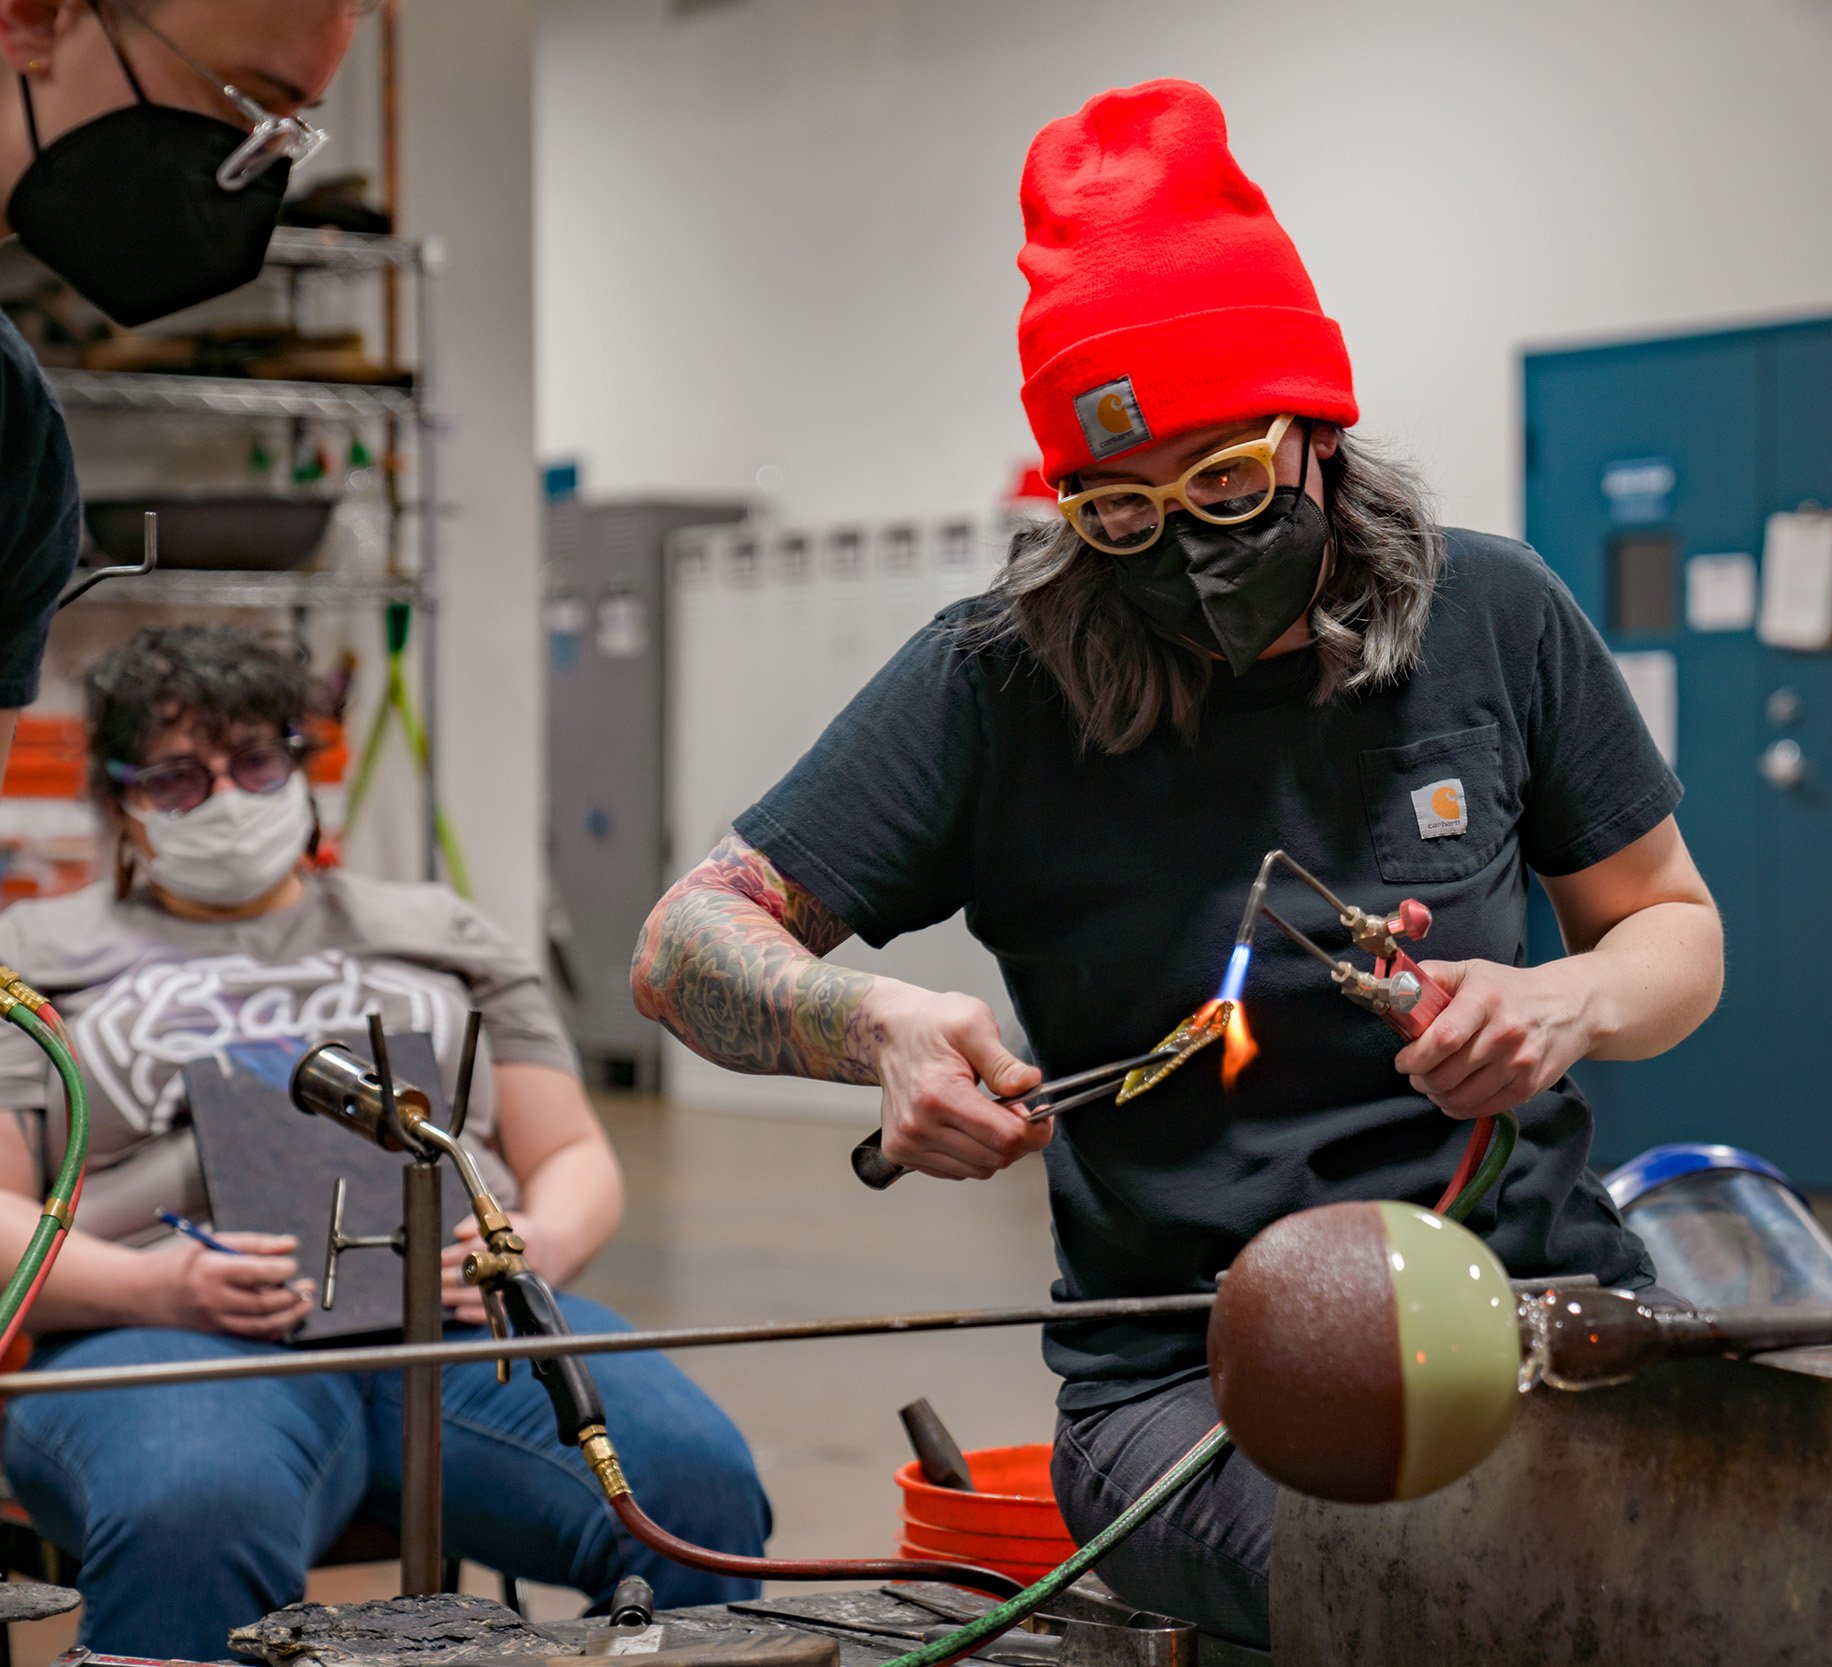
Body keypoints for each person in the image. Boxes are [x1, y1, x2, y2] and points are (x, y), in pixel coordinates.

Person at [632, 79, 1725, 1647]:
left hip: (1539, 1296)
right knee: (1464, 1583)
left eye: (1227, 486)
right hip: (1198, 1376)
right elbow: (684, 942)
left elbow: (1675, 930)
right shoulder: (995, 685)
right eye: (1121, 510)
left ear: (1323, 438)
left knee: (1790, 1531)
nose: (1186, 545)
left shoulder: (1494, 618)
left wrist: (1568, 999)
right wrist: (868, 1023)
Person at [0, 625, 770, 1657]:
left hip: (463, 1327)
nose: (227, 798)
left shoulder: (439, 932)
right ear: (123, 802)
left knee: (697, 1488)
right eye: (180, 777)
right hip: (168, 1334)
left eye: (257, 763)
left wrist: (526, 1248)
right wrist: (158, 1288)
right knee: (193, 1511)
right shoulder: (34, 958)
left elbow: (572, 1153)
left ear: (301, 769)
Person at [0, 0, 362, 765]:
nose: (248, 169)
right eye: (245, 100)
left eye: (285, 129)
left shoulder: (15, 429)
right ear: (32, 19)